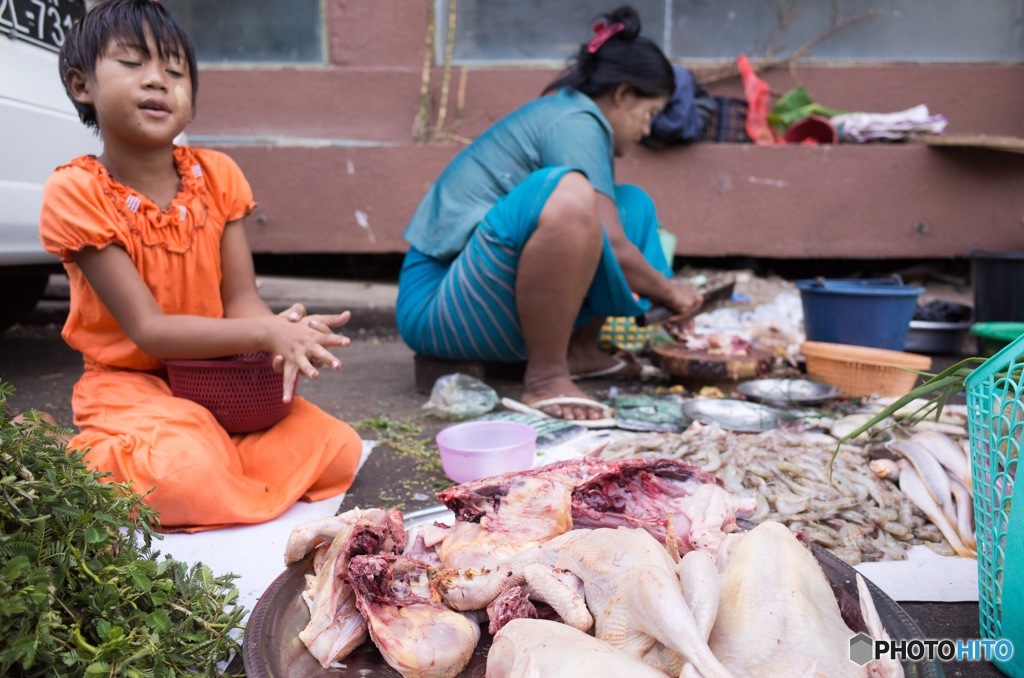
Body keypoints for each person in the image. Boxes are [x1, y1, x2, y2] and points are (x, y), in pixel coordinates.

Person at [39, 0, 363, 532]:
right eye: (132, 63)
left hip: (216, 381)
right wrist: (261, 329)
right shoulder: (77, 191)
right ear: (81, 86)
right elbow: (150, 331)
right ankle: (74, 452)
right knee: (186, 473)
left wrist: (276, 336)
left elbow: (241, 300)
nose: (157, 81)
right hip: (130, 385)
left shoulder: (218, 176)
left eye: (174, 70)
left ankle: (216, 457)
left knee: (336, 450)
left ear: (191, 98)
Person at [397, 5, 703, 423]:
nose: (648, 129)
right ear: (623, 94)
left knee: (631, 203)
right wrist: (669, 292)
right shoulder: (576, 120)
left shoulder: (576, 116)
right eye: (648, 114)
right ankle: (545, 376)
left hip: (476, 295)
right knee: (570, 196)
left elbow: (611, 234)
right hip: (437, 305)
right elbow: (611, 241)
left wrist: (664, 292)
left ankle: (578, 350)